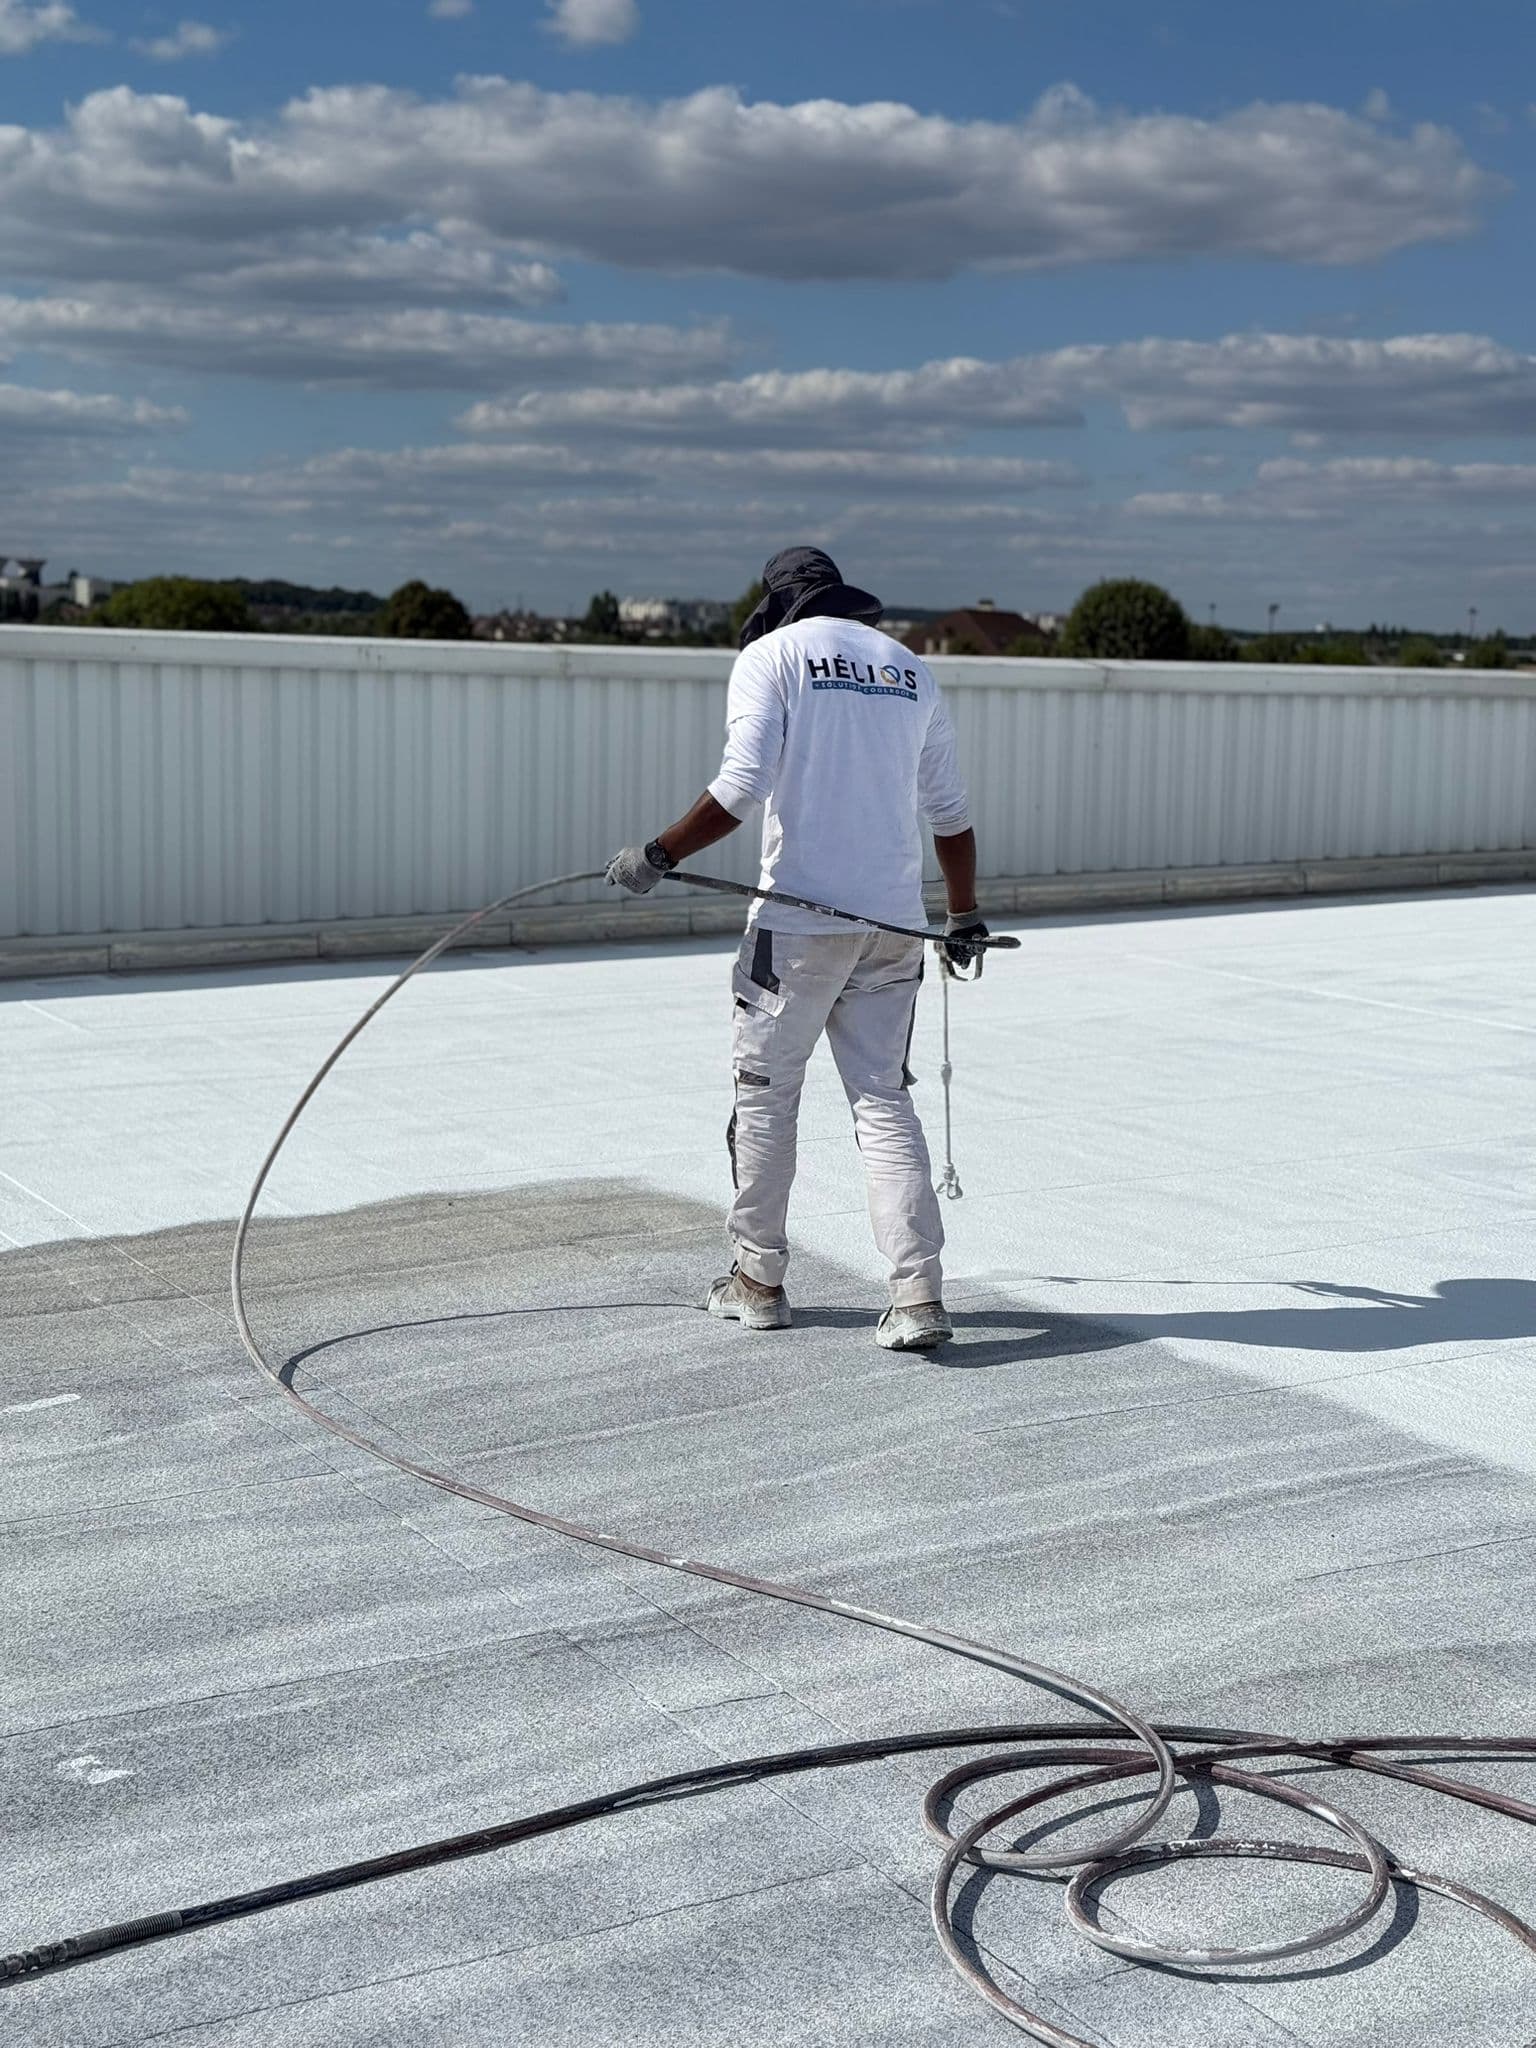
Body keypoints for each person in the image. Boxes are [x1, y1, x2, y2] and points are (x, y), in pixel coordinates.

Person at [606, 546, 987, 1351]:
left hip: (797, 927)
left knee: (766, 1097)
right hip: (894, 929)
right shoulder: (911, 668)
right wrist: (962, 917)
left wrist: (658, 854)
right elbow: (949, 812)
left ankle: (758, 1281)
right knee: (883, 1103)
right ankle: (918, 1298)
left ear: (778, 606)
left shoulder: (770, 657)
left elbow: (740, 788)